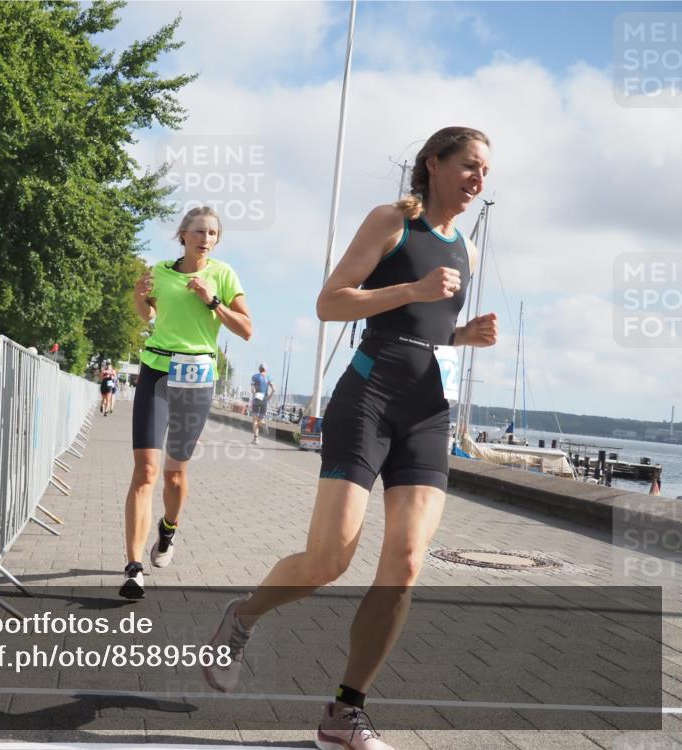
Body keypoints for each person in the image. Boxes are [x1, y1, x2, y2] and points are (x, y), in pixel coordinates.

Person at [203, 127, 499, 749]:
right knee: (330, 560)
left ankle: (344, 713)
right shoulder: (393, 222)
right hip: (367, 400)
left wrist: (462, 336)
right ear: (434, 163)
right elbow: (331, 303)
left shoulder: (466, 249)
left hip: (427, 413)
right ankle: (242, 616)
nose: (478, 180)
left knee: (406, 563)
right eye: (470, 166)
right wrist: (413, 288)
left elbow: (428, 327)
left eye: (485, 172)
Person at [121, 206, 253, 598]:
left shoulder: (223, 275)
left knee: (174, 476)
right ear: (183, 234)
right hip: (156, 371)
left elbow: (246, 329)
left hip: (196, 377)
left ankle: (168, 529)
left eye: (212, 233)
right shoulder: (160, 271)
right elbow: (148, 315)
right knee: (146, 470)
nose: (205, 239)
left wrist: (213, 302)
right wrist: (139, 297)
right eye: (199, 231)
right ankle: (133, 569)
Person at [249, 363, 275, 444]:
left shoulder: (254, 376)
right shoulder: (269, 378)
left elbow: (252, 389)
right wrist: (269, 397)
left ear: (259, 369)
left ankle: (256, 439)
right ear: (266, 370)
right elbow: (274, 389)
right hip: (264, 399)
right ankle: (263, 424)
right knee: (261, 419)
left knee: (255, 420)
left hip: (257, 398)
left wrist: (254, 395)